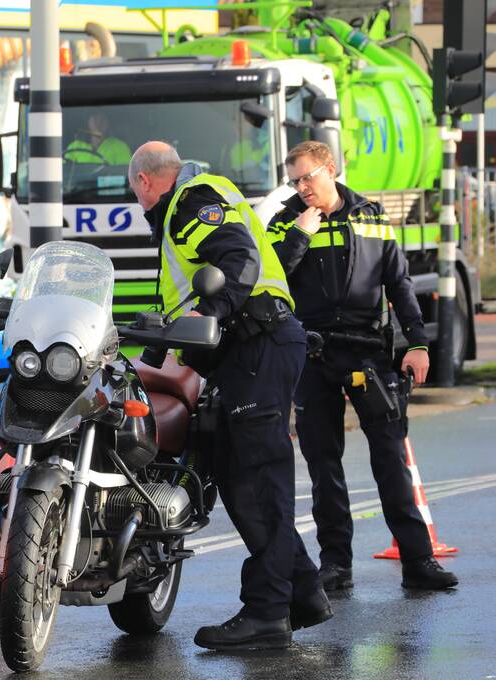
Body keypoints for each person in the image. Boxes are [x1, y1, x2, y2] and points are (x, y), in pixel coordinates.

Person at [129, 141, 330, 651]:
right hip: (250, 350)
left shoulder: (192, 200)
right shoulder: (190, 203)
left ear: (145, 182)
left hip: (255, 343)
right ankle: (302, 592)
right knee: (236, 471)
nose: (139, 203)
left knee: (257, 481)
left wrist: (213, 316)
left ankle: (266, 615)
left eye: (137, 194)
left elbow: (236, 259)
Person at [267, 141, 458, 591]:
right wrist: (300, 235)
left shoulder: (370, 215)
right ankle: (336, 565)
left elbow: (399, 282)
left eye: (308, 176)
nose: (301, 187)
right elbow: (272, 278)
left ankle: (418, 562)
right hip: (312, 353)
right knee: (323, 464)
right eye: (294, 179)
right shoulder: (285, 221)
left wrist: (419, 343)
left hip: (369, 351)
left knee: (391, 458)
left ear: (330, 169)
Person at [65, 112, 132, 165]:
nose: (98, 122)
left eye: (102, 118)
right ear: (88, 122)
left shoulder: (120, 146)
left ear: (108, 123)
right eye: (95, 118)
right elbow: (64, 172)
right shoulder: (75, 147)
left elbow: (124, 174)